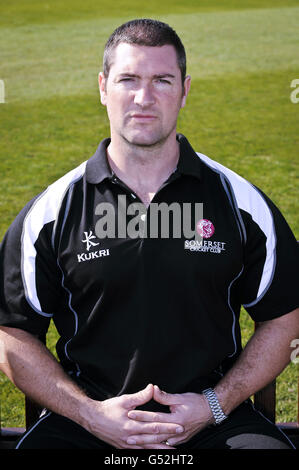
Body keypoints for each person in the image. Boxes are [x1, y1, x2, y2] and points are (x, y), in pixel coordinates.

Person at [0, 18, 298, 450]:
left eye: (162, 80)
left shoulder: (240, 201)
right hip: (86, 424)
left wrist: (214, 404)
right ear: (103, 87)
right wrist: (89, 414)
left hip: (214, 424)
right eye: (128, 80)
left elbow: (285, 313)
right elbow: (11, 331)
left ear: (185, 90)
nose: (144, 98)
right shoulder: (52, 210)